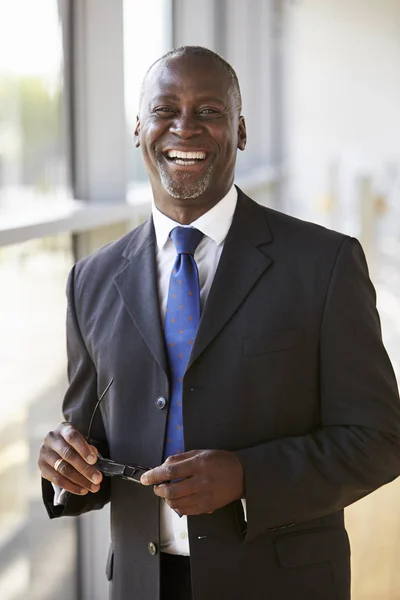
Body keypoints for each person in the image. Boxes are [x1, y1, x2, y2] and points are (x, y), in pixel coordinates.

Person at [38, 46, 400, 600]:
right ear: (139, 128)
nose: (185, 127)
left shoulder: (324, 264)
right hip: (142, 584)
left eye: (209, 111)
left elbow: (379, 440)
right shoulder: (91, 279)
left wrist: (247, 476)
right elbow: (91, 438)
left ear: (242, 129)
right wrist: (66, 465)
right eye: (165, 110)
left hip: (280, 582)